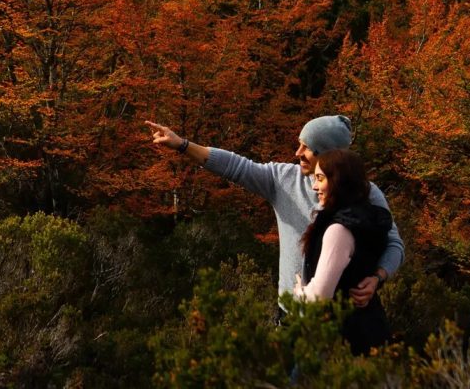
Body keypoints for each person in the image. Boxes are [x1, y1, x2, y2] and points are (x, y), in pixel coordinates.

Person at [144, 115, 404, 310]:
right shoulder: (284, 179)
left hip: (345, 320)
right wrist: (182, 145)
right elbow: (237, 167)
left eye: (306, 147)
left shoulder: (368, 194)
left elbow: (393, 243)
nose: (297, 153)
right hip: (290, 313)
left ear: (329, 155)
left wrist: (377, 278)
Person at [293, 148, 392, 354]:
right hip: (371, 331)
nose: (314, 186)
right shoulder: (366, 218)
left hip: (337, 340)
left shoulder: (339, 230)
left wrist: (298, 293)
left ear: (338, 181)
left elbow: (320, 296)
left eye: (320, 178)